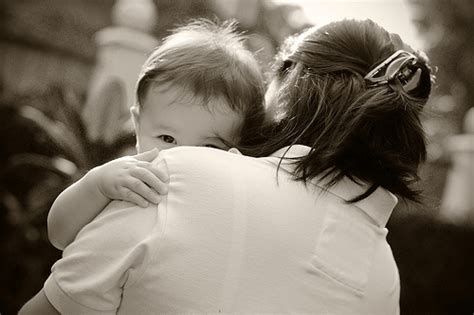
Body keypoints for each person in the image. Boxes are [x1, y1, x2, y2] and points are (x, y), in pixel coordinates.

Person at [20, 19, 433, 314]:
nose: (179, 149)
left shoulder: (175, 180)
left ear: (289, 85)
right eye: (167, 137)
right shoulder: (383, 273)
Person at [46, 19, 266, 250]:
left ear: (237, 150)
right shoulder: (127, 181)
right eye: (167, 139)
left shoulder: (223, 203)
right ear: (137, 124)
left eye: (209, 148)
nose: (181, 158)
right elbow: (59, 235)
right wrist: (97, 186)